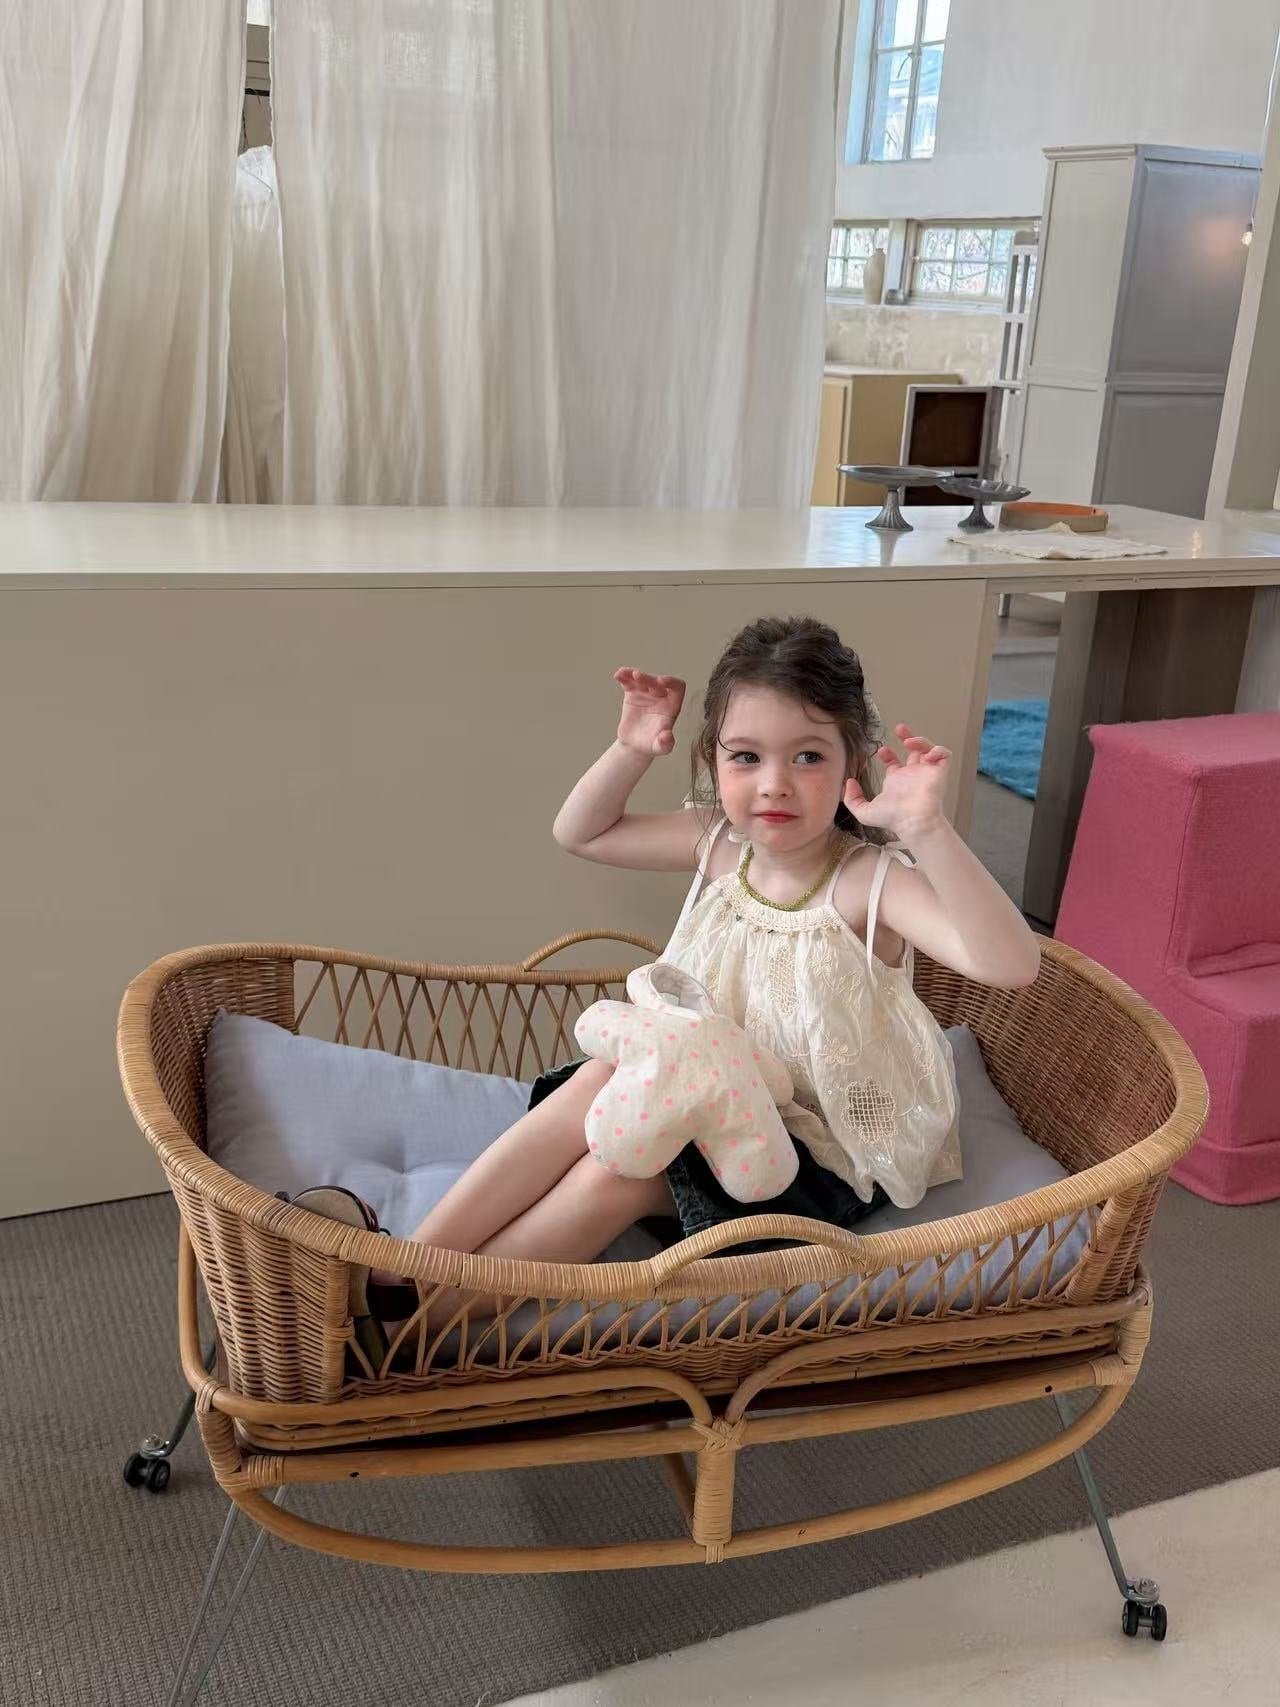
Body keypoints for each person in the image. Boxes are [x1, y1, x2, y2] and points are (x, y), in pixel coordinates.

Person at [305, 615, 1040, 1324]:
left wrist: (927, 829)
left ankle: (416, 1323)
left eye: (808, 757)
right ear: (712, 760)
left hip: (808, 1156)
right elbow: (581, 832)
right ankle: (401, 1267)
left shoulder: (869, 883)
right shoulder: (719, 843)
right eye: (745, 756)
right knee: (602, 1081)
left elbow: (1011, 964)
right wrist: (631, 748)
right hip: (701, 1091)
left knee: (617, 1171)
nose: (774, 783)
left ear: (854, 762)